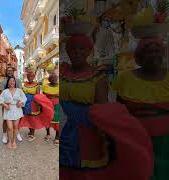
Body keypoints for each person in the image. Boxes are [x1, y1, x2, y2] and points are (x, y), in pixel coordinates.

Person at [60, 33, 153, 180]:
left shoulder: (97, 75)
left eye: (82, 48)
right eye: (72, 49)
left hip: (89, 132)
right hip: (66, 129)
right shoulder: (63, 73)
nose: (77, 52)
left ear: (89, 51)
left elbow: (102, 110)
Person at [112, 36, 169, 180]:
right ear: (140, 56)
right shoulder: (125, 79)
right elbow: (118, 110)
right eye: (149, 51)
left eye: (158, 51)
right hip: (134, 139)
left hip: (165, 141)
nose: (155, 55)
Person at [19, 64, 54, 141]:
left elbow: (38, 95)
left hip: (33, 103)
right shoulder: (24, 84)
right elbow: (22, 94)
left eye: (32, 76)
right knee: (27, 117)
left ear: (34, 77)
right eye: (29, 76)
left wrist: (39, 104)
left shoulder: (37, 85)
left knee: (33, 118)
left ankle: (32, 133)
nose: (30, 78)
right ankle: (30, 131)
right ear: (27, 77)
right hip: (26, 103)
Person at [0, 77, 27, 149]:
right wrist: (5, 105)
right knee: (10, 127)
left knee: (15, 126)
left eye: (13, 81)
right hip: (8, 110)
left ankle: (14, 141)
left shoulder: (19, 90)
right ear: (8, 83)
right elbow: (0, 100)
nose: (12, 82)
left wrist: (20, 102)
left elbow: (24, 98)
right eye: (10, 81)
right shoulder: (5, 91)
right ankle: (9, 142)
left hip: (17, 110)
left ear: (15, 83)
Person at [0, 66, 23, 143]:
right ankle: (4, 134)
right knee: (5, 119)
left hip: (17, 104)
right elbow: (1, 93)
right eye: (8, 71)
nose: (9, 72)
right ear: (6, 72)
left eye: (11, 71)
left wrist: (20, 102)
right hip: (7, 104)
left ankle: (17, 133)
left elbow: (21, 93)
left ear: (13, 72)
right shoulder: (3, 81)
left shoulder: (18, 80)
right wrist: (4, 103)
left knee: (17, 119)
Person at [42, 69, 59, 145]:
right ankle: (48, 134)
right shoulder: (45, 86)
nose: (54, 79)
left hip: (57, 106)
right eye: (52, 78)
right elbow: (43, 95)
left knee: (57, 121)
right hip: (47, 105)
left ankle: (57, 137)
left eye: (55, 78)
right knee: (47, 120)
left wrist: (51, 95)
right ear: (49, 79)